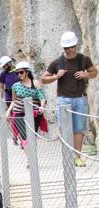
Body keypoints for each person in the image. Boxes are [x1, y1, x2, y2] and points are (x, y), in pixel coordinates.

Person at [42, 31, 98, 166]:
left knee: (79, 129)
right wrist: (56, 76)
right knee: (65, 128)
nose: (68, 50)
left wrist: (85, 74)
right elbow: (44, 79)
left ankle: (77, 157)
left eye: (70, 47)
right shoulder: (57, 62)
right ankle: (67, 156)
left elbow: (94, 72)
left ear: (75, 45)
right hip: (63, 99)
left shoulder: (84, 60)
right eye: (65, 48)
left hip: (80, 98)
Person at [6, 61, 48, 150]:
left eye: (21, 72)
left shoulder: (36, 83)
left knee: (32, 137)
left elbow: (42, 97)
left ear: (27, 72)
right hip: (19, 113)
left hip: (34, 113)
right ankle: (30, 161)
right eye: (17, 73)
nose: (19, 74)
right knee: (25, 136)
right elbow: (14, 101)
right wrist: (8, 111)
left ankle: (30, 156)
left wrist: (42, 106)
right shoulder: (15, 86)